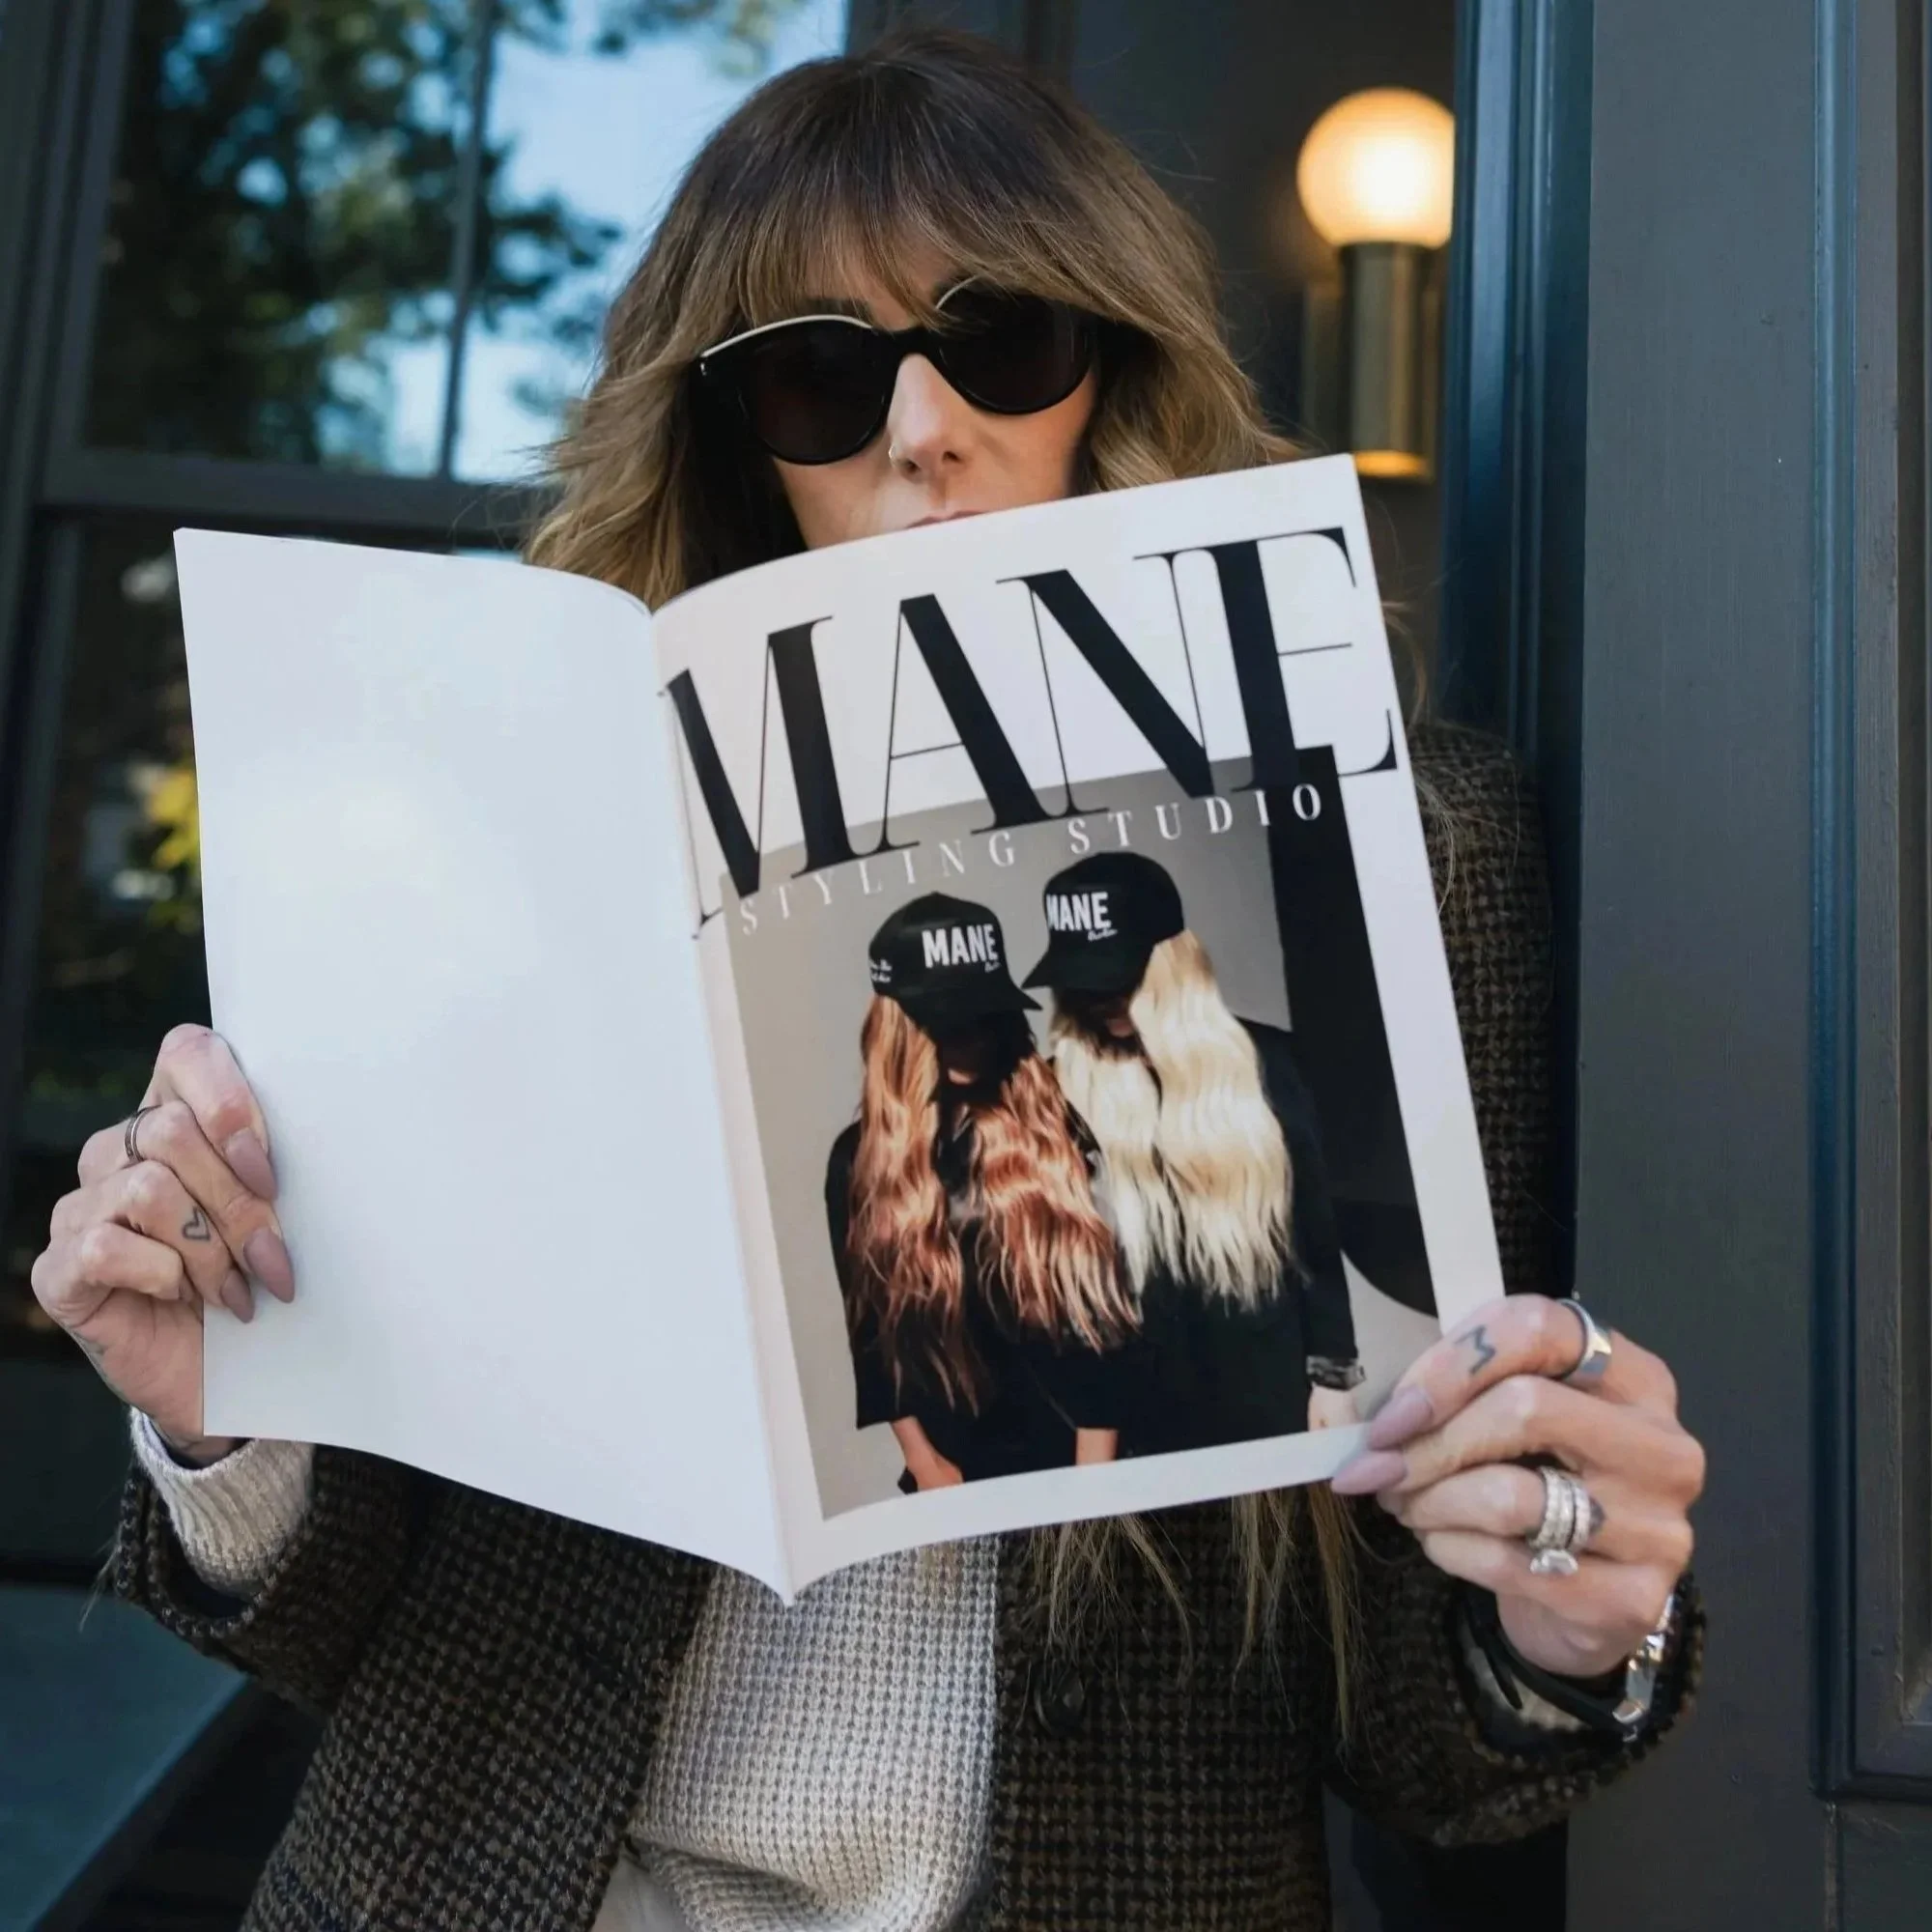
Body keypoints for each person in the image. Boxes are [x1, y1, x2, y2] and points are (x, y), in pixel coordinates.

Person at [28, 30, 1707, 1932]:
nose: (923, 428)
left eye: (999, 339)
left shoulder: (1401, 848)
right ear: (744, 448)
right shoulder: (524, 842)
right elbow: (356, 1629)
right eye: (818, 375)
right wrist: (221, 1413)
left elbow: (1418, 1722)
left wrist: (1569, 1611)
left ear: (1107, 371)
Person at [1030, 850, 1363, 1452]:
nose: (1102, 996)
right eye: (1084, 978)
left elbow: (1316, 1230)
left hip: (1270, 1388)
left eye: (1121, 974)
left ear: (1172, 966)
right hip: (1140, 1408)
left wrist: (1334, 1377)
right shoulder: (1058, 1091)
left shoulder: (1272, 1065)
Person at [827, 894, 1133, 1490]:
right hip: (951, 1473)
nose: (972, 1034)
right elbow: (870, 1336)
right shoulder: (856, 1161)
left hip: (1076, 1461)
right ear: (901, 1028)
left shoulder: (1052, 1131)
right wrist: (924, 1463)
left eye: (984, 1012)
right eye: (950, 1020)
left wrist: (1093, 1483)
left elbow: (1103, 1324)